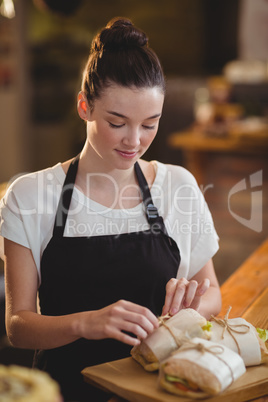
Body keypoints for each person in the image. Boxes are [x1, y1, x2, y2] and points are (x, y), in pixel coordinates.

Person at [0, 17, 221, 402]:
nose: (134, 141)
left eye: (150, 125)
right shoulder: (30, 195)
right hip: (66, 390)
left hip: (160, 389)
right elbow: (19, 326)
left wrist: (188, 310)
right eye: (117, 123)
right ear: (85, 106)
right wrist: (88, 323)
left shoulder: (178, 186)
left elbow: (214, 293)